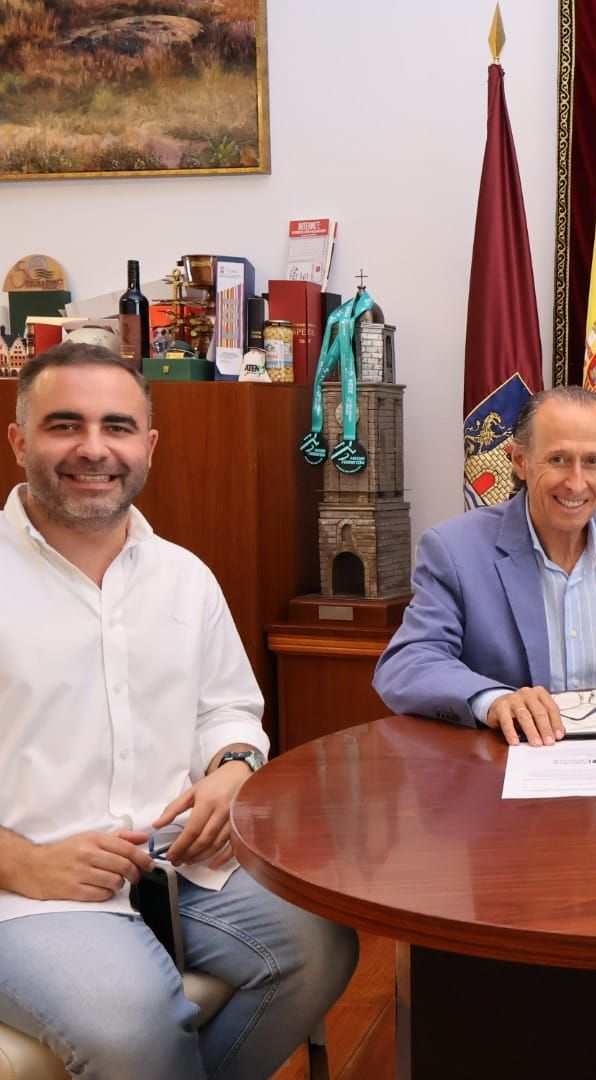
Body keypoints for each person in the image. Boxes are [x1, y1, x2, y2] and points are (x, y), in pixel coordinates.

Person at [0, 343, 357, 1080]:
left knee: (322, 945)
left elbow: (227, 707)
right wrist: (23, 862)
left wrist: (233, 767)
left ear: (149, 446)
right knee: (133, 1032)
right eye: (65, 425)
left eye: (118, 427)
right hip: (26, 890)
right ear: (18, 441)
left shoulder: (184, 576)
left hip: (178, 864)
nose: (94, 449)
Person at [375, 385, 596, 746]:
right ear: (519, 460)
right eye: (558, 459)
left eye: (592, 461)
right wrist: (494, 700)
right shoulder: (454, 549)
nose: (576, 483)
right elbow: (408, 662)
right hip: (510, 766)